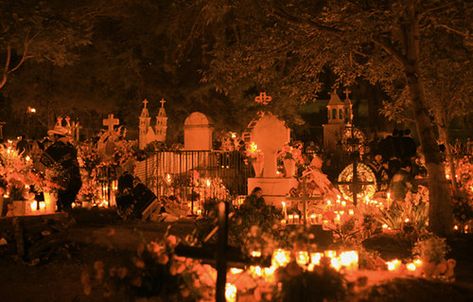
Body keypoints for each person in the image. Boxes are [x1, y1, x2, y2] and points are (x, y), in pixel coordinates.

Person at [41, 126, 82, 211]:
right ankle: (67, 214)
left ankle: (63, 216)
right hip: (75, 178)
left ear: (57, 136)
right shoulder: (71, 147)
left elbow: (44, 160)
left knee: (63, 201)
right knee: (68, 201)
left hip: (63, 180)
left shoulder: (56, 147)